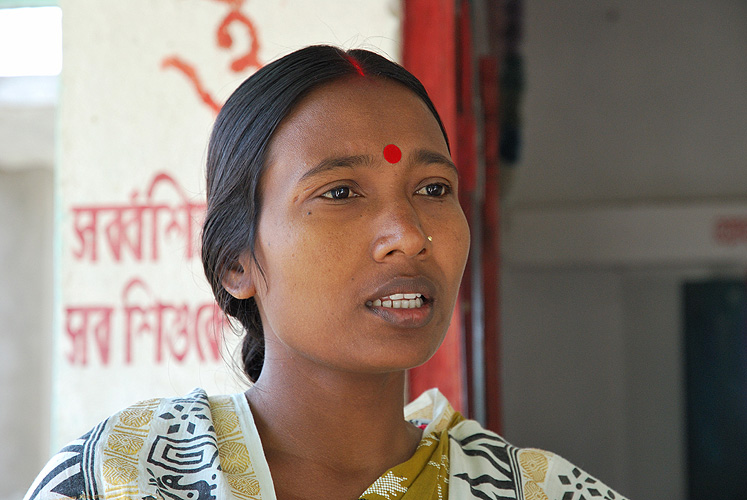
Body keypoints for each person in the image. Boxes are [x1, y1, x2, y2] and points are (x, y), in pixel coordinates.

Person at [25, 45, 627, 500]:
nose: (410, 235)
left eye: (434, 188)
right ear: (236, 264)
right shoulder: (124, 476)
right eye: (340, 192)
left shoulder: (541, 491)